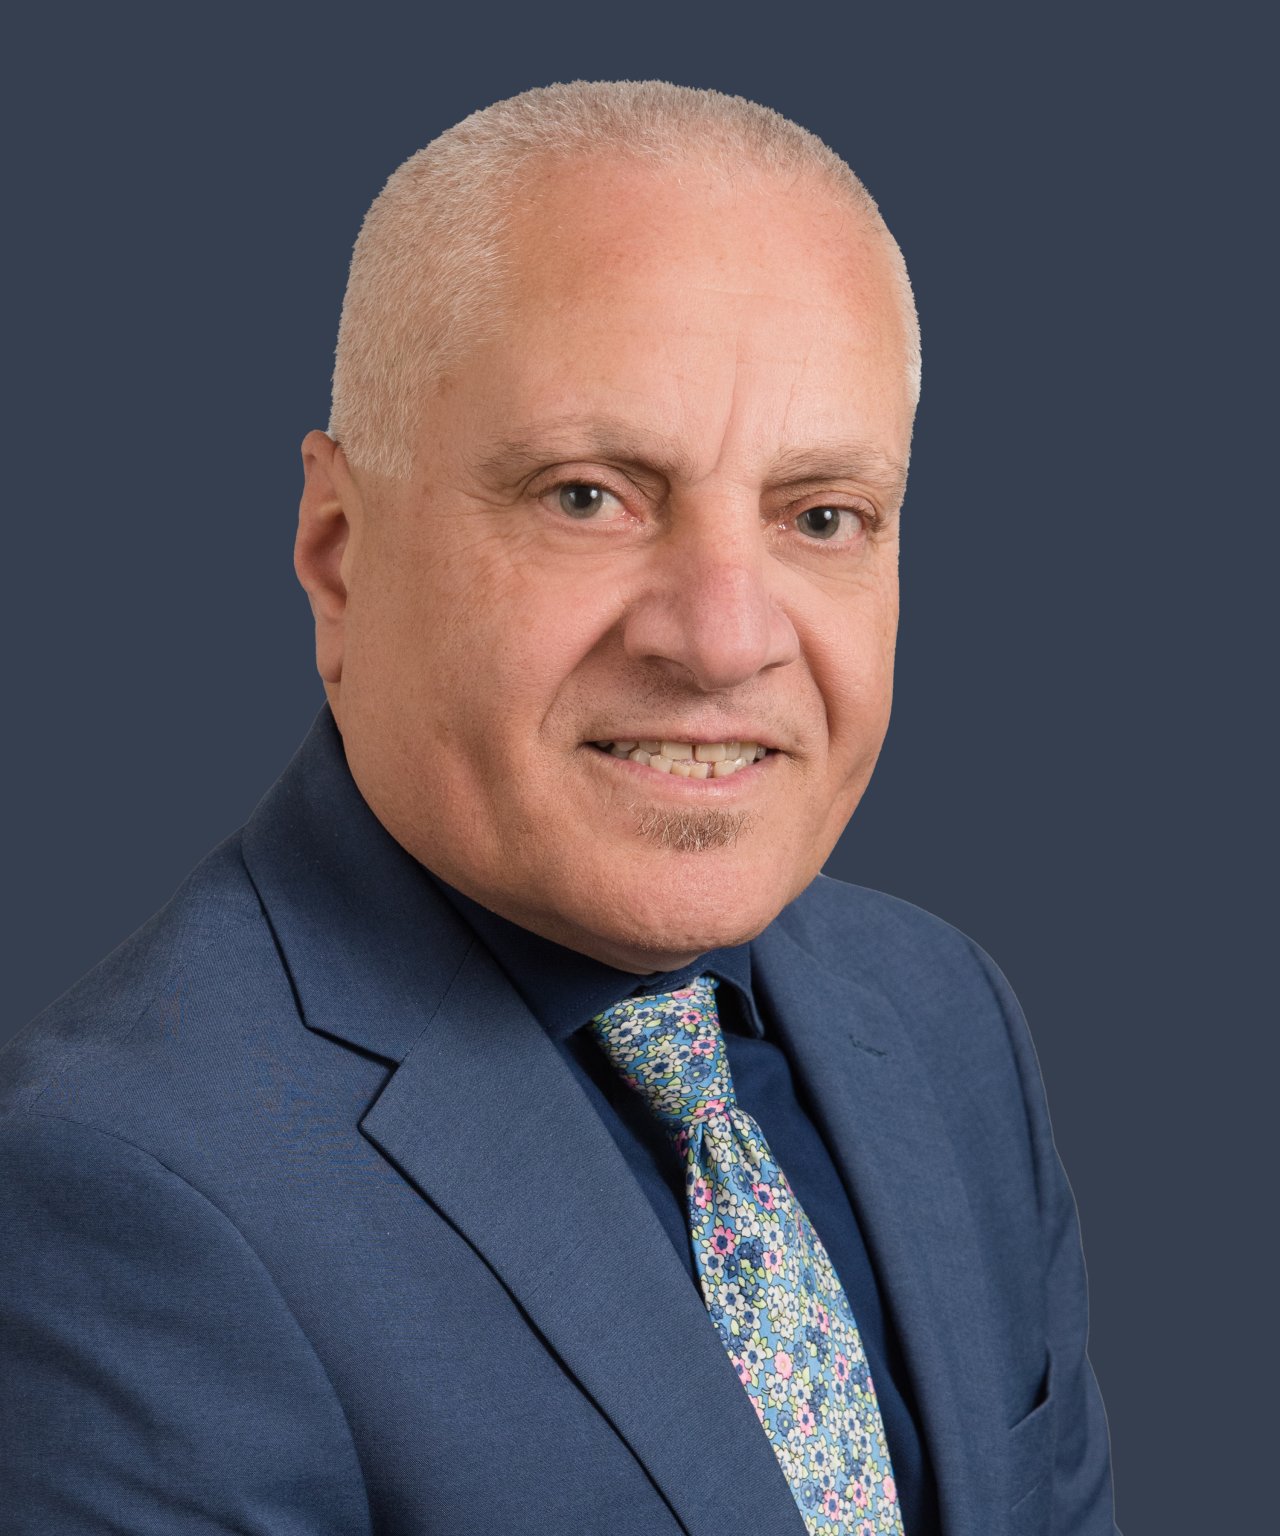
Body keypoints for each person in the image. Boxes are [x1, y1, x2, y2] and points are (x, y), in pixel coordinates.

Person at [0, 81, 1118, 1535]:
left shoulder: (946, 1016)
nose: (724, 641)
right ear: (339, 551)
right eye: (589, 496)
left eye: (821, 516)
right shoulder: (117, 1193)